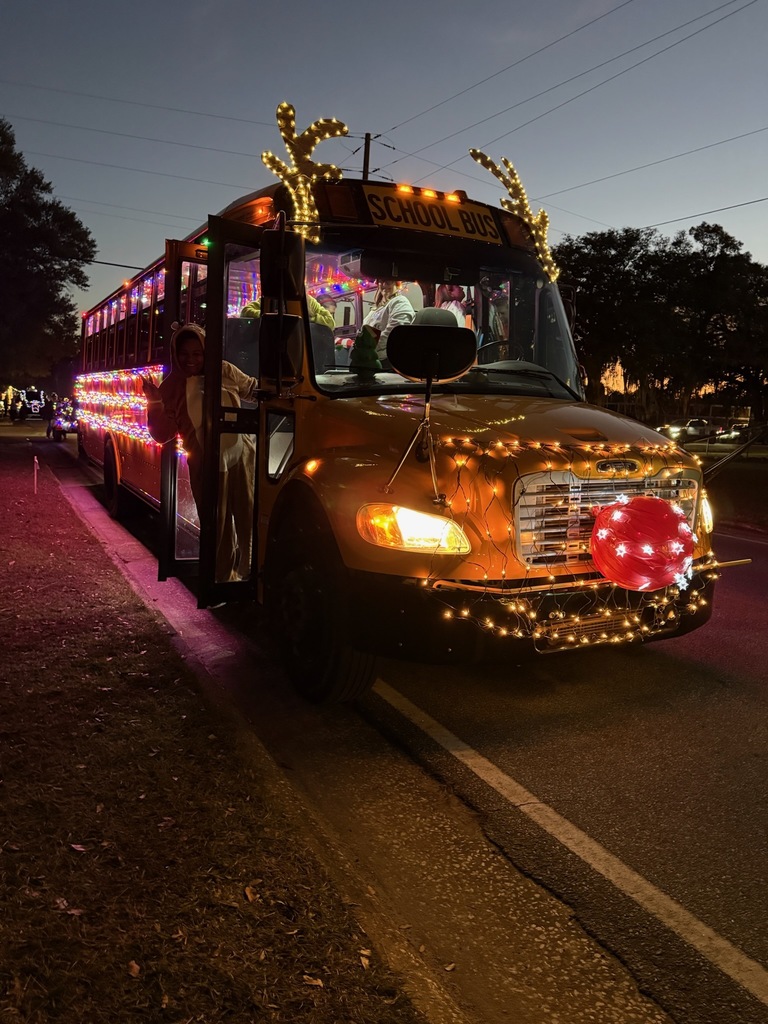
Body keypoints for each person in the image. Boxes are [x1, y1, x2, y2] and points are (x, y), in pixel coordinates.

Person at [141, 323, 258, 585]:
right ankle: (222, 582)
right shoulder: (170, 386)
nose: (190, 359)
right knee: (216, 526)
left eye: (197, 353)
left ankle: (248, 577)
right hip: (204, 464)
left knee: (248, 516)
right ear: (175, 353)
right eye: (184, 353)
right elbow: (162, 434)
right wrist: (154, 401)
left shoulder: (224, 370)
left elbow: (252, 389)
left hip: (241, 456)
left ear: (207, 352)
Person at [362, 279, 415, 366]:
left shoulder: (400, 302)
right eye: (381, 281)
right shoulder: (375, 309)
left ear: (397, 283)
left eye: (388, 281)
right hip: (370, 358)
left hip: (386, 361)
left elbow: (394, 334)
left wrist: (369, 347)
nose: (384, 285)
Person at [239, 292, 334, 330]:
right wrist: (273, 316)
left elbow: (330, 322)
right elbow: (245, 311)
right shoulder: (270, 298)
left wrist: (308, 318)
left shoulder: (308, 300)